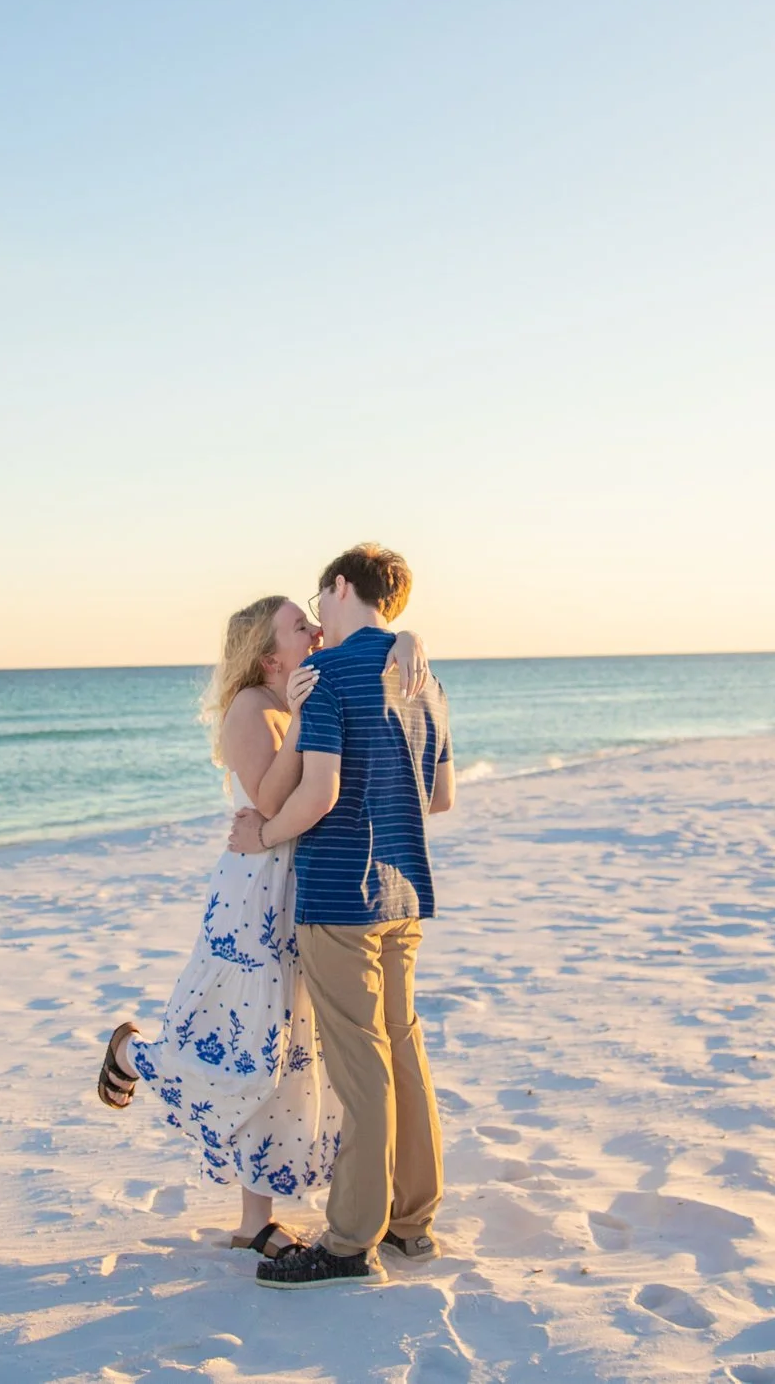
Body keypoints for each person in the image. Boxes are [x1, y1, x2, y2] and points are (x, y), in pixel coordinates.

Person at [93, 594, 432, 1260]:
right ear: (268, 653)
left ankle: (253, 1221)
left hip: (303, 883)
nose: (313, 626)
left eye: (312, 618)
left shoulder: (313, 684)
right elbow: (271, 800)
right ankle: (131, 1052)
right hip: (255, 890)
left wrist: (407, 638)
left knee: (290, 1054)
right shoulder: (252, 708)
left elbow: (376, 651)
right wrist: (304, 718)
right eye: (297, 625)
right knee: (246, 1048)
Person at [227, 543, 454, 1290]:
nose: (317, 620)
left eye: (320, 601)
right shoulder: (426, 676)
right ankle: (414, 1225)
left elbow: (317, 793)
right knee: (404, 1054)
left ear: (341, 585)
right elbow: (441, 795)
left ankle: (354, 1239)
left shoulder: (324, 677)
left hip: (339, 898)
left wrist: (263, 832)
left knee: (363, 1071)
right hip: (405, 895)